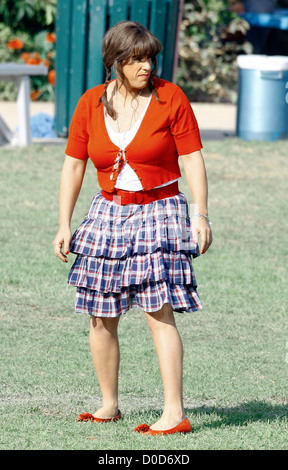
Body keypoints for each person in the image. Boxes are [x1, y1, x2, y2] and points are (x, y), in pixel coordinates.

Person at [53, 21, 212, 436]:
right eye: (137, 59)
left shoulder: (170, 97)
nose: (147, 66)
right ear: (116, 62)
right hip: (107, 211)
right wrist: (64, 224)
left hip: (160, 208)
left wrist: (201, 213)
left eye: (150, 58)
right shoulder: (90, 103)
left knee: (158, 311)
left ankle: (174, 412)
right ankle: (109, 405)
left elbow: (192, 158)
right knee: (99, 313)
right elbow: (74, 165)